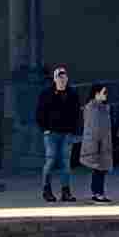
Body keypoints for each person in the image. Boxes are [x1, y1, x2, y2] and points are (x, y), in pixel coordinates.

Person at [32, 65, 81, 203]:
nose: (62, 80)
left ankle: (66, 191)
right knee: (51, 160)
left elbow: (77, 113)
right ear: (54, 79)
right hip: (51, 133)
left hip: (67, 134)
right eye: (59, 77)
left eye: (64, 77)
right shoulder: (46, 94)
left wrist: (74, 130)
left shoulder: (72, 94)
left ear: (67, 78)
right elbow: (39, 113)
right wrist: (44, 129)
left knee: (65, 162)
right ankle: (46, 190)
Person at [79, 82, 117, 202]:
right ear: (96, 94)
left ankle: (98, 192)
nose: (106, 95)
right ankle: (98, 193)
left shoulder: (102, 107)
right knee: (99, 169)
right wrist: (99, 145)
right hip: (97, 144)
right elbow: (95, 129)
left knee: (101, 169)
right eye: (104, 92)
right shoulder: (92, 108)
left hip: (103, 143)